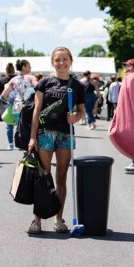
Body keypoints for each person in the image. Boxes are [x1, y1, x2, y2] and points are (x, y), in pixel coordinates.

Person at [27, 47, 85, 234]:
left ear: (71, 61)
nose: (61, 63)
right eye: (58, 60)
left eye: (65, 59)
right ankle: (37, 220)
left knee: (61, 176)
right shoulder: (44, 83)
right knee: (43, 176)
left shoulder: (77, 85)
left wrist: (75, 117)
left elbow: (82, 111)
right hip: (45, 133)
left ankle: (59, 219)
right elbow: (36, 111)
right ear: (53, 62)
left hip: (65, 134)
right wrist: (32, 137)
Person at [0, 60, 37, 149]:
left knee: (21, 128)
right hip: (30, 107)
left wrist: (9, 104)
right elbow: (38, 86)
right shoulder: (31, 77)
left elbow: (3, 96)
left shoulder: (13, 80)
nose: (30, 68)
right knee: (32, 129)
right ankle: (31, 150)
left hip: (16, 108)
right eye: (29, 66)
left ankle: (23, 147)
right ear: (24, 67)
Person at [0, 63, 16, 148]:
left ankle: (10, 143)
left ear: (6, 70)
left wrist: (1, 96)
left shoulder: (2, 80)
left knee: (9, 124)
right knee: (20, 123)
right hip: (18, 103)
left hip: (6, 103)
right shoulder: (17, 78)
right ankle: (20, 142)